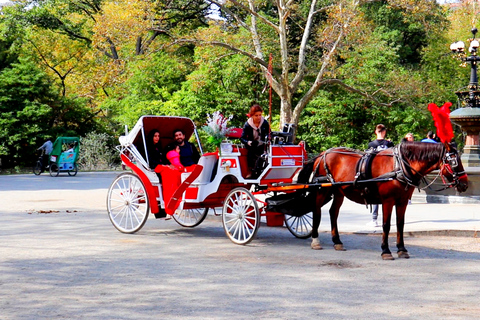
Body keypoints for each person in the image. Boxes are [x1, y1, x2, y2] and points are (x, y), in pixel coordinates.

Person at [367, 124, 394, 227]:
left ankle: (374, 219)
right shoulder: (390, 143)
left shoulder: (372, 144)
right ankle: (387, 220)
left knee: (375, 198)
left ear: (376, 132)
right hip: (389, 174)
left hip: (376, 174)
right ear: (384, 132)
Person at [240, 104, 270, 179]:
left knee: (264, 154)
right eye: (256, 115)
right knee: (251, 153)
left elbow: (269, 134)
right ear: (252, 116)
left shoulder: (265, 123)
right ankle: (250, 171)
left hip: (262, 145)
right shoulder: (247, 124)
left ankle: (264, 172)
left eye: (260, 115)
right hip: (251, 146)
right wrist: (248, 142)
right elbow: (242, 138)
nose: (258, 117)